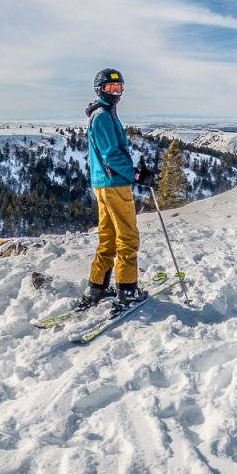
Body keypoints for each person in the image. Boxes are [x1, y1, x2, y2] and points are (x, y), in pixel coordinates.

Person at [79, 68, 149, 312]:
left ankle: (97, 287)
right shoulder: (103, 117)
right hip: (115, 185)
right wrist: (136, 175)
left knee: (108, 238)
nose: (116, 92)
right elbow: (112, 154)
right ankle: (127, 290)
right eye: (110, 88)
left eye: (119, 87)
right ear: (99, 89)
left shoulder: (103, 114)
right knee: (127, 238)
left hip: (104, 184)